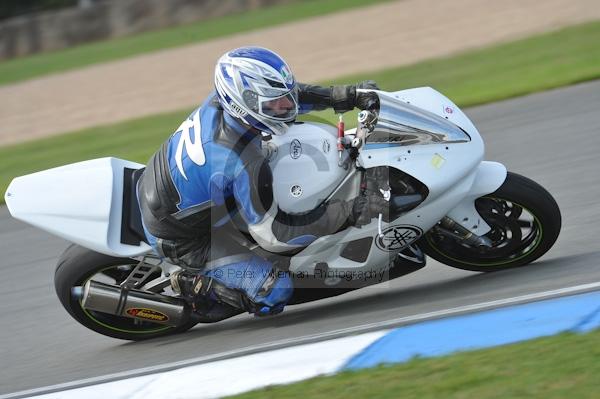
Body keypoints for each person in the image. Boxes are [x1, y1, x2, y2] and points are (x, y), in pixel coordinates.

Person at [137, 46, 387, 318]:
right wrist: (350, 210)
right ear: (242, 103)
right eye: (272, 103)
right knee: (276, 289)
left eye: (284, 96)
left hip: (170, 190)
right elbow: (277, 236)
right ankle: (195, 285)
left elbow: (287, 97)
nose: (286, 106)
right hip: (186, 239)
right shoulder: (240, 162)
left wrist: (347, 95)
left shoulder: (225, 100)